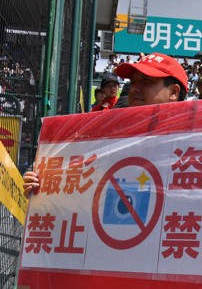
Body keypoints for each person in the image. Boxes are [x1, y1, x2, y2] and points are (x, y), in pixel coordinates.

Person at [23, 52, 189, 193]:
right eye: (133, 82)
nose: (135, 88)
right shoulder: (108, 136)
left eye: (146, 80)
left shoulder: (198, 145)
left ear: (173, 92)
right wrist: (42, 187)